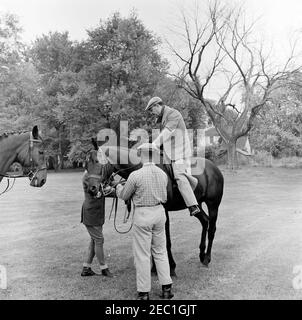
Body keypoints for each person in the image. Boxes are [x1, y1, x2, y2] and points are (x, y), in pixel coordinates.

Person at [115, 143, 173, 300]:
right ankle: (166, 288)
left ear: (140, 155)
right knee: (160, 251)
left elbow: (125, 196)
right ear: (153, 155)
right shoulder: (163, 174)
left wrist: (118, 188)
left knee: (142, 254)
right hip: (160, 213)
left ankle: (143, 293)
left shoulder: (135, 175)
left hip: (143, 214)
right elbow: (166, 197)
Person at [145, 96, 209, 221]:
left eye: (152, 110)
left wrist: (155, 144)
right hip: (169, 153)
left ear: (158, 105)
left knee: (179, 175)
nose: (152, 113)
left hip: (181, 152)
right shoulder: (163, 118)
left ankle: (193, 205)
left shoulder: (173, 114)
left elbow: (167, 132)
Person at [80, 171, 113, 277]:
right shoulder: (88, 176)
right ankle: (104, 268)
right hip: (91, 212)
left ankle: (86, 268)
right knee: (99, 240)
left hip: (97, 212)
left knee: (94, 240)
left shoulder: (98, 173)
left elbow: (109, 184)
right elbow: (97, 192)